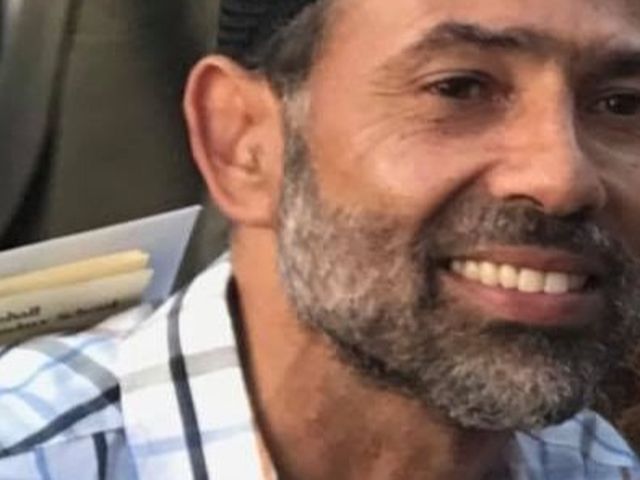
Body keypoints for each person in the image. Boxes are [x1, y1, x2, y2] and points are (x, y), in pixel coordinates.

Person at [2, 0, 640, 478]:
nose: (563, 179)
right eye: (459, 88)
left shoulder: (592, 464)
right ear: (242, 143)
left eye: (621, 104)